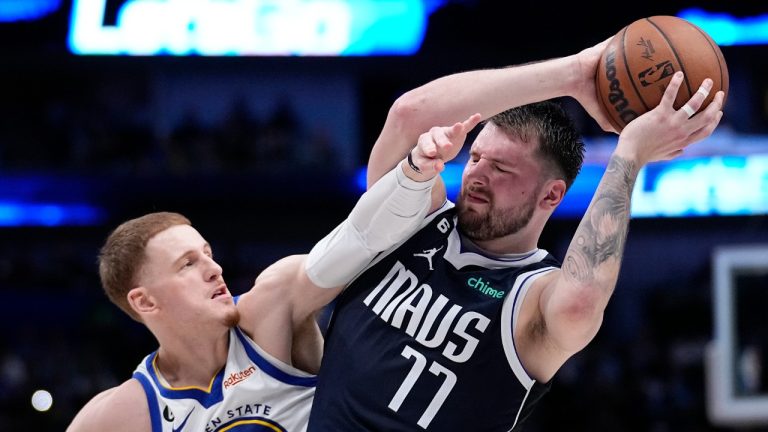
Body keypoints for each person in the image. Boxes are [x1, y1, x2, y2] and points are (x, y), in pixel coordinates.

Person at [307, 37, 725, 431]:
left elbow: (580, 302)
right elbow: (407, 116)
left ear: (551, 195)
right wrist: (576, 73)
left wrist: (630, 155)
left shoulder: (532, 297)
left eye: (502, 168)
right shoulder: (413, 219)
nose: (477, 175)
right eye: (475, 157)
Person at [65, 117, 482, 432]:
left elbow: (358, 238)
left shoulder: (269, 310)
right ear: (144, 301)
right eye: (188, 264)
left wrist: (411, 175)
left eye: (207, 254)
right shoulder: (124, 413)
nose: (214, 269)